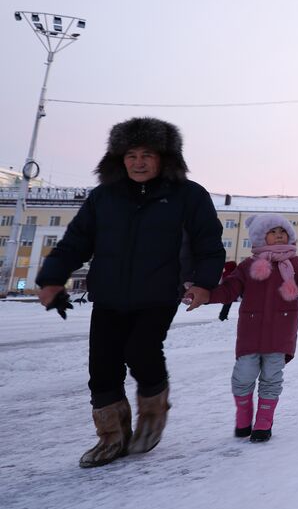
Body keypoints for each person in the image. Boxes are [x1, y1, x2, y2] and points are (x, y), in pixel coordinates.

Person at [34, 117, 225, 468]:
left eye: (147, 154)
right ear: (119, 158)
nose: (138, 162)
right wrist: (52, 278)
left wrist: (203, 284)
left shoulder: (188, 196)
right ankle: (111, 438)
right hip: (108, 294)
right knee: (102, 367)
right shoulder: (104, 197)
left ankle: (152, 415)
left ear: (164, 158)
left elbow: (209, 246)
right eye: (131, 154)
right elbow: (76, 241)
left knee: (141, 350)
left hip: (159, 293)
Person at [204, 213, 298, 442]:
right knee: (243, 376)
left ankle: (263, 423)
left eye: (283, 232)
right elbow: (229, 291)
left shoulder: (297, 264)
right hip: (251, 333)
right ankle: (243, 416)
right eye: (273, 232)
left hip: (281, 333)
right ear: (261, 237)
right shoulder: (248, 265)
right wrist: (204, 294)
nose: (279, 236)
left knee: (272, 378)